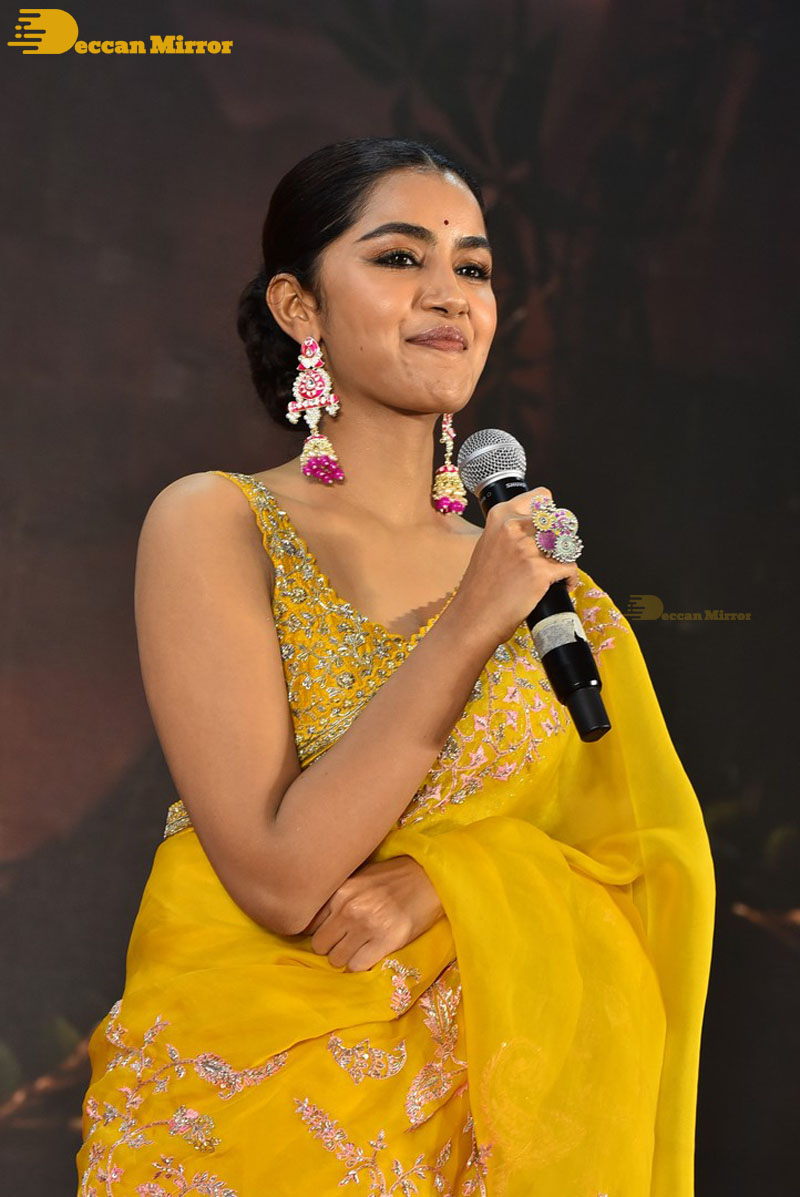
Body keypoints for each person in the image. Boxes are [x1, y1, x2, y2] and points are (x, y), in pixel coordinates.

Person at [75, 137, 715, 1196]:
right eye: (399, 257)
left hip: (484, 1137)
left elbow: (650, 866)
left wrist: (441, 885)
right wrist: (466, 626)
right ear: (300, 306)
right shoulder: (216, 523)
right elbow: (280, 878)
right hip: (243, 1117)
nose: (448, 293)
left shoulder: (551, 589)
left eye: (473, 267)